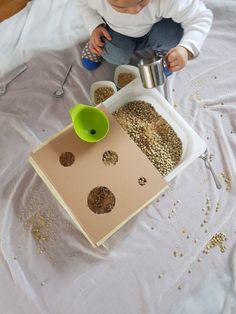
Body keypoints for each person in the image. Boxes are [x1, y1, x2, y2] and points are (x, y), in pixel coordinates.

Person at [78, 0, 213, 73]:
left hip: (155, 28)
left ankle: (166, 54)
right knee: (115, 54)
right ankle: (95, 43)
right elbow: (83, 4)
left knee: (176, 37)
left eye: (142, 1)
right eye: (121, 7)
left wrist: (187, 48)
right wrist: (95, 26)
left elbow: (200, 17)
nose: (134, 11)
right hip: (114, 31)